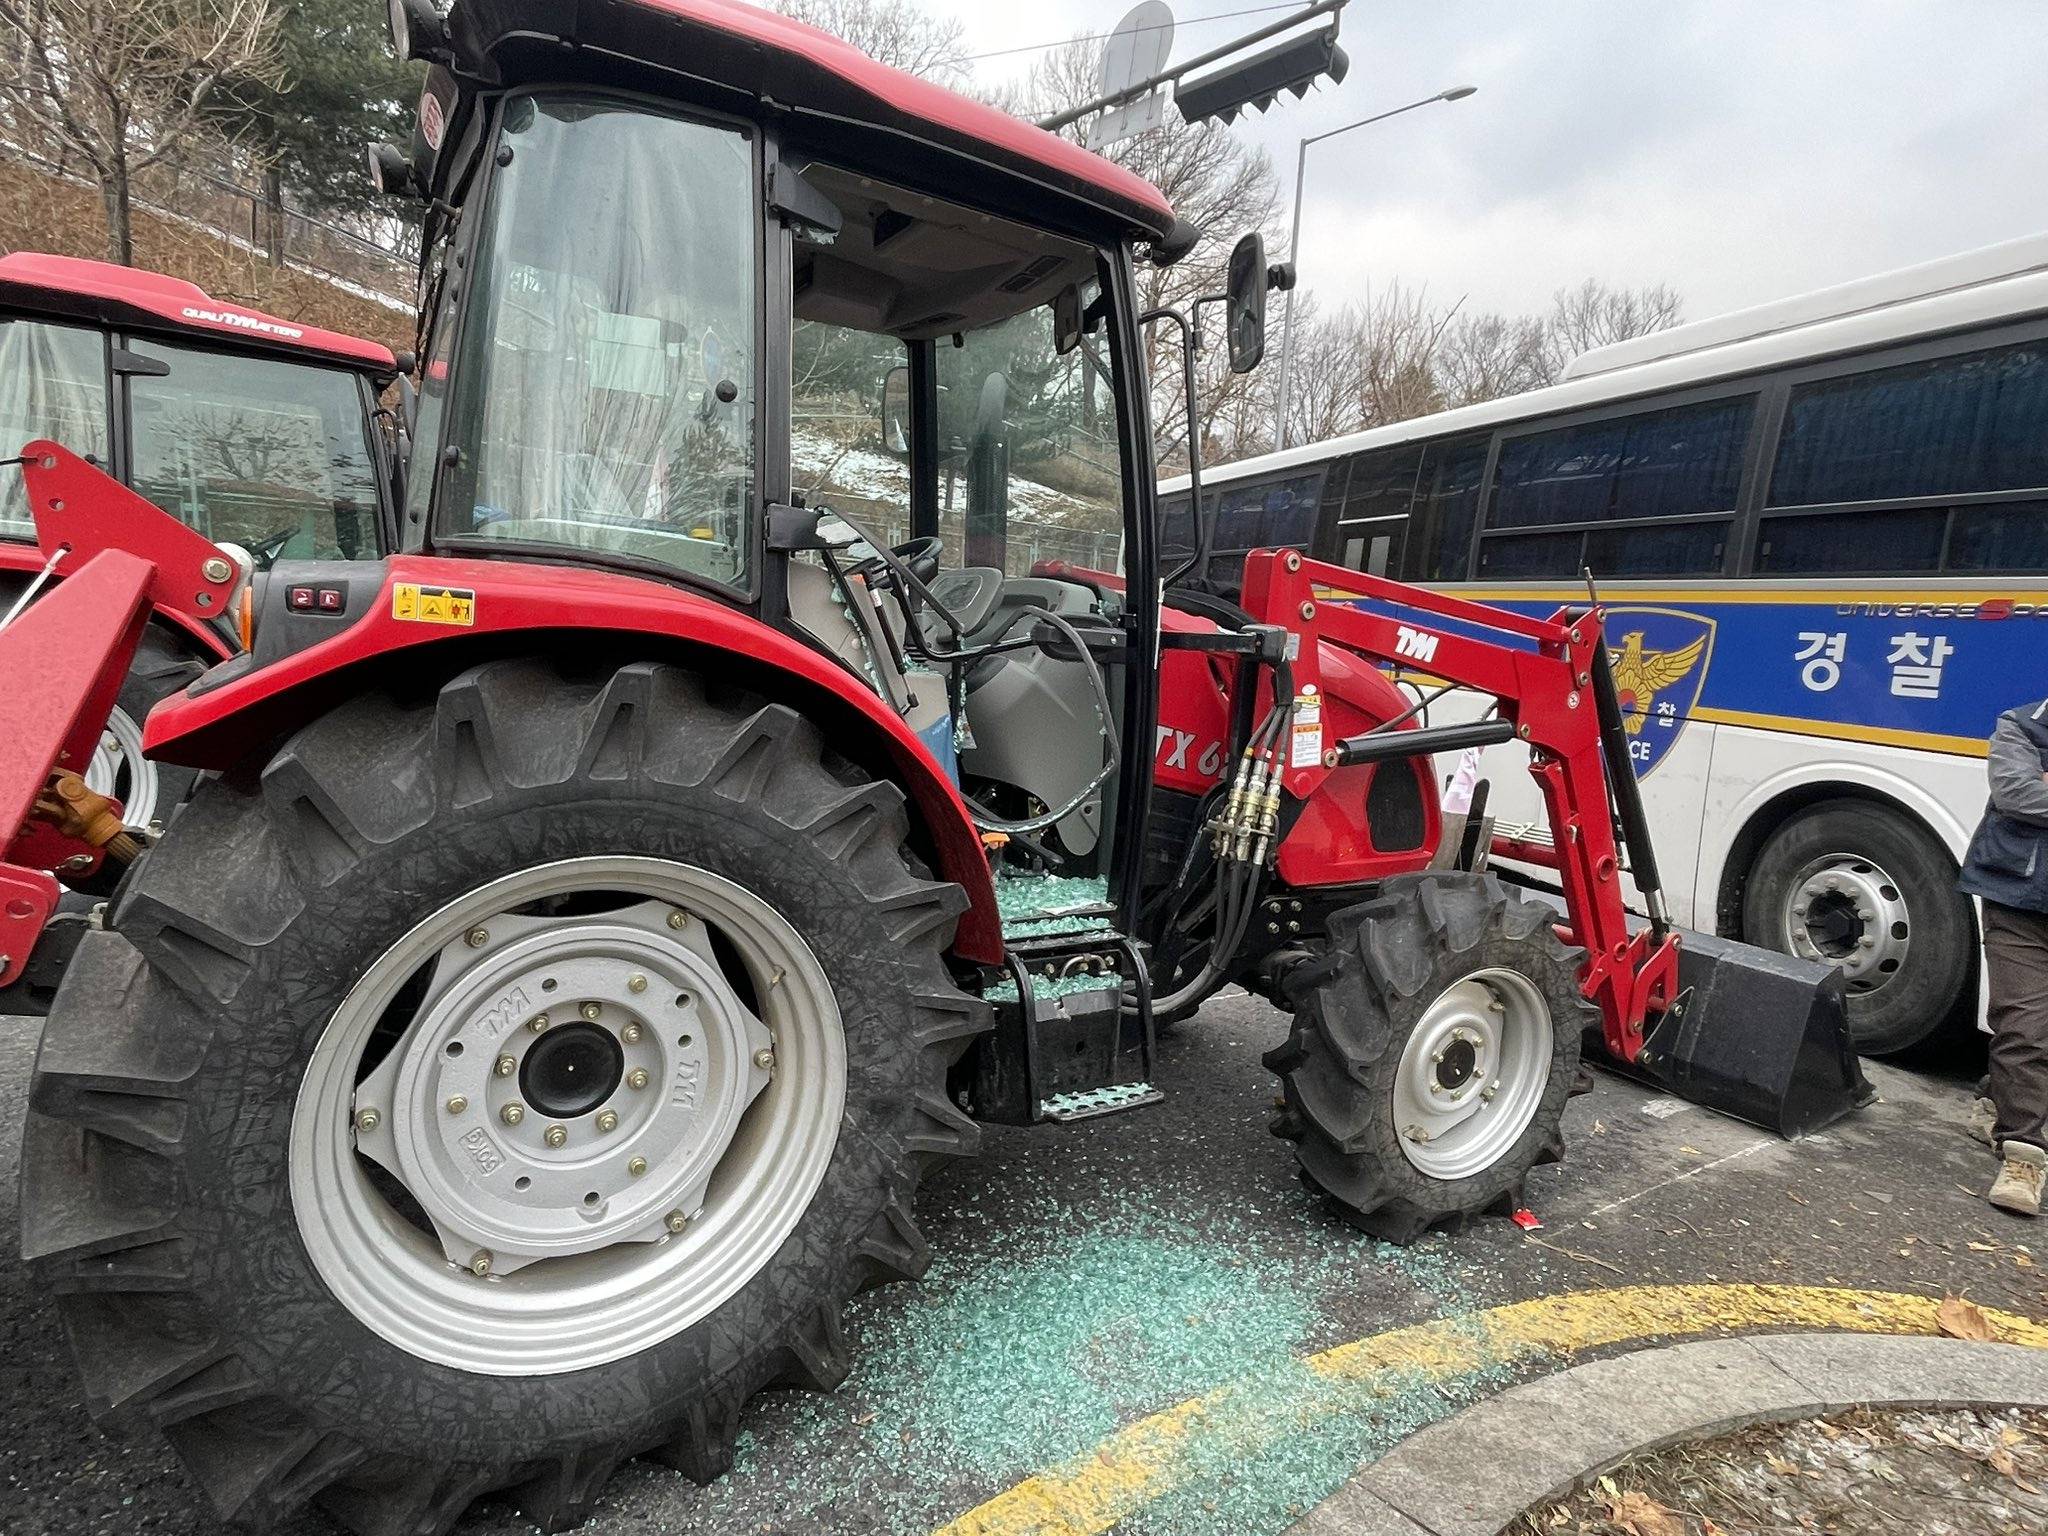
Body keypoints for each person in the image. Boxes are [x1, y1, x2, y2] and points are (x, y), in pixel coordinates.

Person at [1960, 698, 2048, 1217]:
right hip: (2020, 900)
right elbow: (2018, 794)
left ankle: (1996, 1099)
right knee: (2024, 1025)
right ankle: (2024, 1155)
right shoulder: (2019, 724)